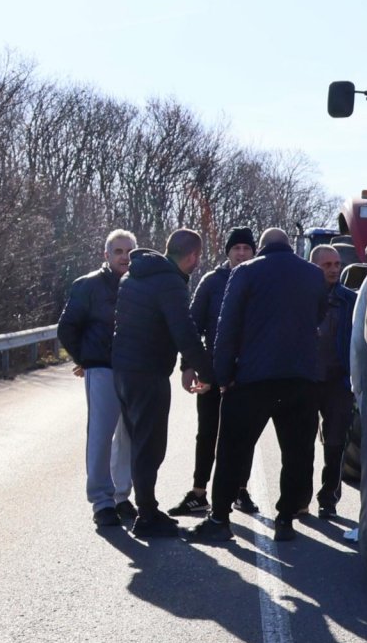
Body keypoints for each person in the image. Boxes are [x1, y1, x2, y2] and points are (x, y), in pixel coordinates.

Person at [188, 228, 327, 544]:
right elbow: (318, 316)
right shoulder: (313, 275)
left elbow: (227, 327)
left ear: (260, 248)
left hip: (253, 378)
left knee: (232, 451)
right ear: (289, 247)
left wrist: (222, 377)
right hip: (301, 377)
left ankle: (220, 519)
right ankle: (285, 520)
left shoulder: (245, 272)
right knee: (296, 453)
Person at [112, 228, 214, 537]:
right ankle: (147, 515)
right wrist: (210, 373)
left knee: (139, 442)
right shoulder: (170, 282)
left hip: (124, 370)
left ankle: (146, 508)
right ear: (193, 256)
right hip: (147, 372)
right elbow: (184, 332)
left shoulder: (134, 275)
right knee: (150, 446)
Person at [168, 227, 259, 518]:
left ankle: (240, 490)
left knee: (243, 435)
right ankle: (198, 492)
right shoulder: (211, 282)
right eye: (237, 249)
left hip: (247, 372)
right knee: (207, 432)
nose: (242, 253)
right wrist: (188, 365)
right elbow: (192, 326)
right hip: (211, 369)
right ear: (228, 252)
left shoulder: (259, 279)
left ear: (254, 252)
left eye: (247, 248)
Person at [57, 228, 137, 528]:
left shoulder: (139, 285)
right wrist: (85, 359)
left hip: (132, 371)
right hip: (102, 369)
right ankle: (102, 502)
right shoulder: (88, 285)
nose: (124, 256)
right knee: (101, 436)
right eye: (118, 251)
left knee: (127, 437)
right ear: (107, 255)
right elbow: (67, 327)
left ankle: (121, 496)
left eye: (129, 251)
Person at [309, 242, 357, 520]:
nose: (334, 269)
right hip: (307, 381)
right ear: (315, 267)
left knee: (336, 443)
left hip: (338, 382)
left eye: (337, 264)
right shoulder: (302, 298)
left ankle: (329, 498)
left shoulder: (349, 301)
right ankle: (299, 499)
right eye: (327, 265)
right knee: (301, 443)